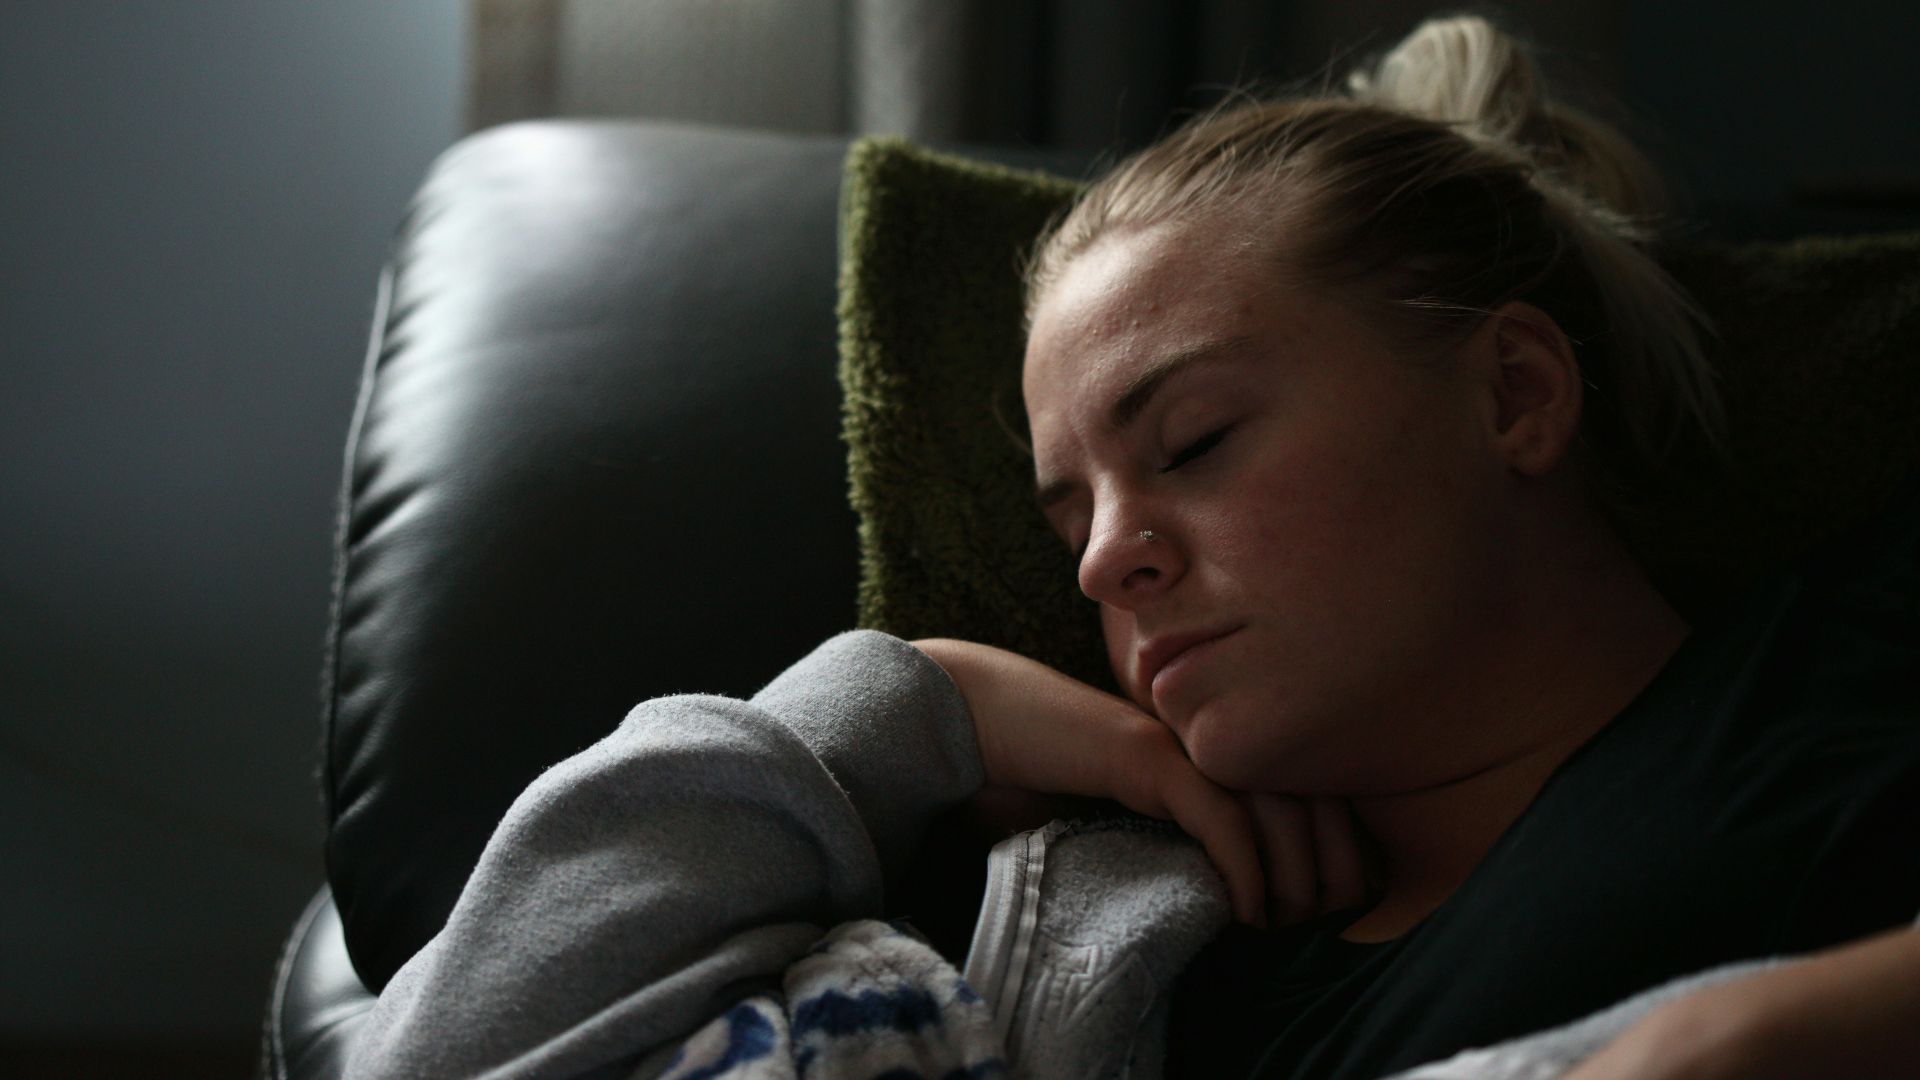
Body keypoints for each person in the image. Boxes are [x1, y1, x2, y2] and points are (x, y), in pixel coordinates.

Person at [345, 16, 1920, 1080]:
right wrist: (913, 703)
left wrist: (1747, 1043)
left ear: (1513, 394)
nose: (1105, 562)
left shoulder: (1847, 662)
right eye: (1070, 512)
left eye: (1195, 443)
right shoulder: (1111, 927)